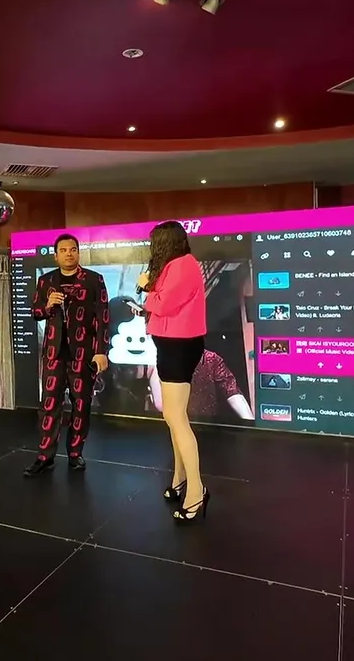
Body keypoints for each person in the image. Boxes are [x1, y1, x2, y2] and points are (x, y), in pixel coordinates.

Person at [137, 221, 210, 522]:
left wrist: (147, 287)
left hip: (179, 346)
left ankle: (197, 491)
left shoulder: (183, 265)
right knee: (172, 415)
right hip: (171, 344)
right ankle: (180, 478)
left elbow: (164, 304)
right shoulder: (175, 265)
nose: (152, 247)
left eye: (155, 242)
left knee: (176, 417)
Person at [24, 234, 110, 476]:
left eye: (73, 249)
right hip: (54, 353)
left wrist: (101, 351)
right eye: (63, 250)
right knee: (49, 404)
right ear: (56, 255)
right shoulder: (46, 281)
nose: (69, 254)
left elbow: (103, 317)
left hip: (83, 354)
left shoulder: (93, 280)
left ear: (78, 252)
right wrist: (48, 305)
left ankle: (75, 453)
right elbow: (36, 312)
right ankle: (45, 456)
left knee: (81, 404)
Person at [149, 349, 254, 420]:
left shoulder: (211, 359)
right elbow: (160, 405)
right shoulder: (159, 358)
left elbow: (231, 391)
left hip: (206, 426)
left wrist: (250, 422)